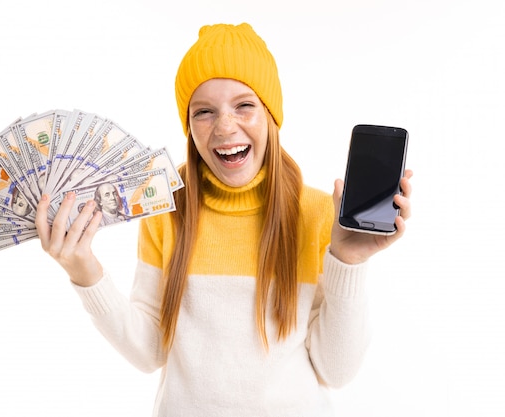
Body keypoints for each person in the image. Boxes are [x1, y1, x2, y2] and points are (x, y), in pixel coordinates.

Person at [35, 22, 413, 417]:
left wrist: (347, 261)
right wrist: (84, 271)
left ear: (271, 115)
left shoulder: (319, 214)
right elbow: (149, 351)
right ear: (189, 127)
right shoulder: (166, 210)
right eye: (204, 112)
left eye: (244, 105)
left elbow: (336, 371)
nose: (225, 126)